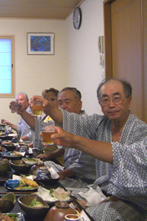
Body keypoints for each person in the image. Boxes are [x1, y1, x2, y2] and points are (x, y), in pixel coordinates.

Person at [35, 79, 147, 220]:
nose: (111, 104)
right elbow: (74, 121)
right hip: (98, 192)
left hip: (132, 203)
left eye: (117, 99)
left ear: (129, 100)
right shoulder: (100, 124)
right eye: (105, 100)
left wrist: (74, 141)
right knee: (54, 205)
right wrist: (49, 108)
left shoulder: (141, 132)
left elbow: (125, 158)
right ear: (100, 104)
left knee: (80, 215)